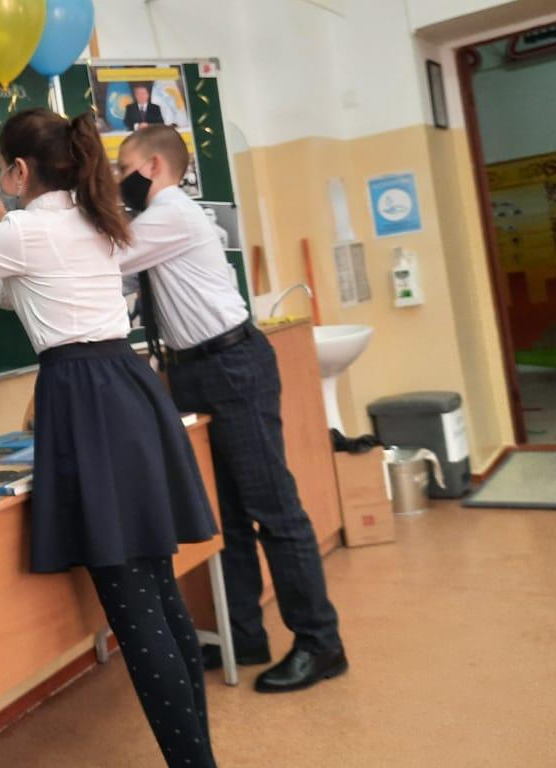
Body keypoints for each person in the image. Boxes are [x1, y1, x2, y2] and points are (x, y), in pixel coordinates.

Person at [0, 109, 220, 768]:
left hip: (85, 400)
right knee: (159, 592)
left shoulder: (25, 229)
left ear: (19, 171)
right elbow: (23, 292)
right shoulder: (95, 218)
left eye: (2, 166)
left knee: (135, 613)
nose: (0, 175)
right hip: (129, 390)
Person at [114, 124, 347, 694]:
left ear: (153, 167)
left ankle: (321, 643)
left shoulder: (170, 214)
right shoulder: (154, 220)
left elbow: (105, 259)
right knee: (230, 515)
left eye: (123, 169)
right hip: (192, 371)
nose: (118, 180)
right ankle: (244, 636)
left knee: (273, 507)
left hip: (230, 365)